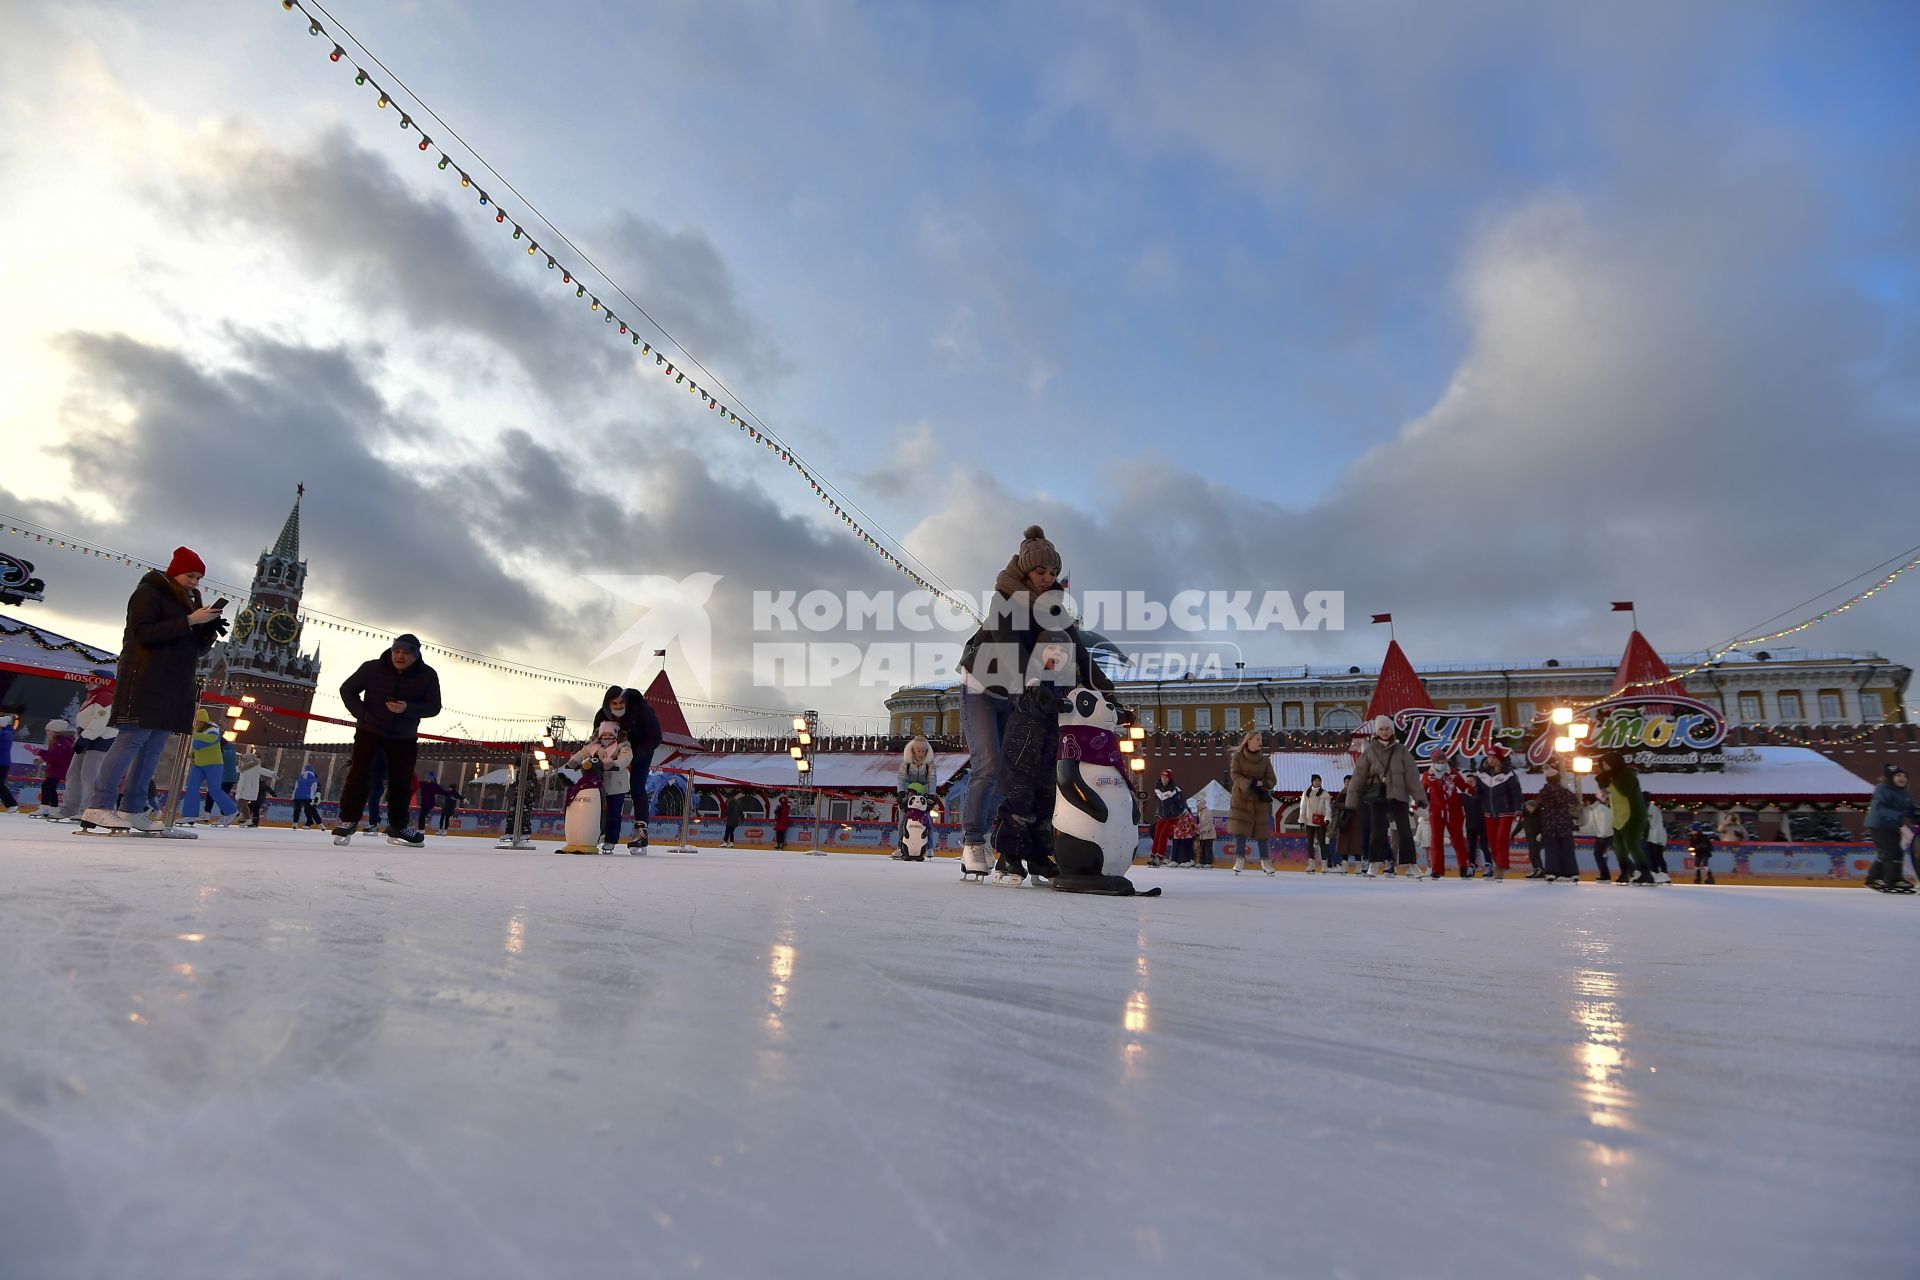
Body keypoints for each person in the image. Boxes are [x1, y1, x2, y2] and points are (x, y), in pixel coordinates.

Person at [954, 525, 1114, 879]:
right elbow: (1008, 646)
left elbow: (1077, 648)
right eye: (1041, 571)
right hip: (981, 687)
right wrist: (1033, 679)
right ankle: (972, 841)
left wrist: (1106, 687)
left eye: (1053, 572)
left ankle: (1005, 846)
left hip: (1018, 690)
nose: (1048, 578)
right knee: (989, 764)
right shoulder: (1005, 601)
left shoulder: (1053, 605)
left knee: (1013, 772)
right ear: (1025, 569)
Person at [83, 549, 227, 831]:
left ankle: (132, 809)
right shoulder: (149, 593)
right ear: (175, 571)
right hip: (145, 678)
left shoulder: (189, 602)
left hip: (174, 683)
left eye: (199, 578)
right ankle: (98, 806)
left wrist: (206, 630)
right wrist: (189, 621)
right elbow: (142, 634)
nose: (195, 582)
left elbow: (193, 650)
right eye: (190, 576)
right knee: (131, 740)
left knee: (153, 747)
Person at [330, 634, 441, 847]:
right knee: (359, 775)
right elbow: (347, 690)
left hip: (404, 737)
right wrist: (363, 715)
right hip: (370, 731)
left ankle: (398, 827)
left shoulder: (427, 676)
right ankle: (348, 821)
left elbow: (433, 707)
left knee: (401, 782)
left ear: (416, 656)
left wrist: (407, 708)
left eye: (406, 653)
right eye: (396, 651)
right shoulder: (372, 668)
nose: (399, 656)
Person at [1345, 715, 1425, 879]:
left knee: (1405, 831)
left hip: (1399, 794)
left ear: (1392, 730)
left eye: (1387, 728)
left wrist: (1419, 797)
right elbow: (1358, 776)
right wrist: (1351, 802)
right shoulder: (1369, 751)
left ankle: (1412, 865)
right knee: (1378, 830)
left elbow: (1411, 775)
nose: (1384, 732)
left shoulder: (1401, 750)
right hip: (1378, 794)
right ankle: (1374, 864)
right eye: (1381, 729)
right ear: (1376, 732)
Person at [596, 686, 663, 852]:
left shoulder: (642, 710)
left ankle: (641, 829)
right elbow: (595, 738)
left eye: (621, 702)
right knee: (604, 785)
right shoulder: (602, 715)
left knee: (637, 786)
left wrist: (635, 755)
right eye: (614, 703)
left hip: (641, 748)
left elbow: (655, 738)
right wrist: (601, 753)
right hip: (613, 750)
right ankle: (600, 827)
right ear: (607, 704)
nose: (618, 706)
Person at [564, 722, 633, 853]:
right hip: (595, 786)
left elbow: (626, 758)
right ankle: (592, 836)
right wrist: (574, 761)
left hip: (615, 787)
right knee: (594, 814)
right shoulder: (593, 747)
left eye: (610, 735)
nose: (607, 737)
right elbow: (582, 754)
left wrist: (614, 764)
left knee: (613, 814)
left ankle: (610, 840)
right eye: (604, 735)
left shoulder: (622, 746)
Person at [58, 684, 117, 821]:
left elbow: (102, 720)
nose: (88, 683)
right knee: (74, 773)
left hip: (100, 741)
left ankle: (89, 808)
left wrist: (86, 737)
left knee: (90, 775)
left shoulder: (105, 696)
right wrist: (82, 738)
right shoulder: (93, 697)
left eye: (93, 679)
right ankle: (70, 807)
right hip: (87, 739)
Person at [1597, 753, 1654, 885]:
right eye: (1603, 765)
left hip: (1633, 815)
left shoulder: (1628, 775)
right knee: (1619, 847)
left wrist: (1608, 782)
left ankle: (1646, 873)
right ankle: (1625, 872)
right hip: (1618, 816)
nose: (1605, 767)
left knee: (1631, 844)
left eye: (1607, 764)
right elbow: (1610, 798)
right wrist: (1604, 788)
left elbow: (1623, 791)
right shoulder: (1610, 778)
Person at [1227, 730, 1278, 876]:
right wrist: (1248, 783)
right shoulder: (1237, 757)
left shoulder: (1265, 760)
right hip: (1241, 799)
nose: (1260, 742)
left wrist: (1261, 783)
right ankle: (1239, 859)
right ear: (1248, 741)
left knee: (1262, 833)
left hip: (1258, 800)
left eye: (1261, 739)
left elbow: (1272, 780)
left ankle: (1266, 862)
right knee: (1240, 831)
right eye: (1257, 739)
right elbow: (1234, 774)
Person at [180, 710, 238, 826]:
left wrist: (194, 734)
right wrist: (192, 753)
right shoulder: (197, 730)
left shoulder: (213, 729)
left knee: (214, 790)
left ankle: (231, 811)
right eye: (195, 722)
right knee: (191, 787)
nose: (196, 724)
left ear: (204, 721)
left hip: (214, 764)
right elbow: (196, 744)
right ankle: (190, 815)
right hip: (199, 764)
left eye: (198, 722)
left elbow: (212, 739)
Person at [1475, 746, 1524, 881]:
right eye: (1488, 757)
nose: (1489, 759)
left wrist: (1518, 809)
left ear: (1498, 759)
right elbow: (1479, 792)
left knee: (1501, 840)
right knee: (1491, 840)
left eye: (1492, 757)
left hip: (1505, 811)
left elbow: (1516, 793)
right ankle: (1500, 863)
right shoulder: (1482, 772)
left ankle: (1500, 868)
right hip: (1489, 812)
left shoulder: (1508, 774)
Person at [1864, 764, 1915, 893]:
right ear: (1889, 778)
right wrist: (1899, 814)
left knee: (1888, 852)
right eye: (1898, 775)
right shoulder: (1882, 789)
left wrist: (1916, 813)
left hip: (1892, 826)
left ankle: (1874, 878)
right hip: (1879, 825)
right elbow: (1881, 808)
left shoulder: (1903, 792)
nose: (1902, 778)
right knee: (1893, 851)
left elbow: (1909, 808)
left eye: (1904, 776)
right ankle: (1893, 880)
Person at [1537, 760, 1581, 882]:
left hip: (1549, 822)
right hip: (1564, 822)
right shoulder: (1564, 791)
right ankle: (1571, 872)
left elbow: (1539, 803)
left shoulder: (1544, 791)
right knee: (1567, 849)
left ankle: (1551, 872)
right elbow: (1575, 802)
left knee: (1551, 849)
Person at [896, 736, 935, 857]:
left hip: (923, 796)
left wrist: (931, 797)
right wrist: (901, 795)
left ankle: (929, 848)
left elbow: (932, 780)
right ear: (913, 750)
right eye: (918, 750)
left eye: (923, 751)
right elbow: (901, 779)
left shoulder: (929, 764)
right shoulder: (906, 764)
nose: (921, 753)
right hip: (909, 795)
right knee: (902, 819)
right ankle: (899, 846)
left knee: (927, 820)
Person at [28, 718, 75, 813]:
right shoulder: (56, 740)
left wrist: (38, 751)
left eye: (49, 730)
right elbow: (52, 754)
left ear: (56, 731)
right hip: (57, 768)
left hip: (59, 768)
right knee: (50, 787)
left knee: (47, 786)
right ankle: (53, 808)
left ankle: (45, 807)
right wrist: (41, 759)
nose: (47, 733)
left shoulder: (61, 741)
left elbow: (55, 755)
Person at [1151, 769, 1187, 866]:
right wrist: (1158, 813)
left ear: (1169, 779)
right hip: (1162, 816)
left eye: (1166, 777)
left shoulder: (1175, 790)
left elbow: (1182, 803)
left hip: (1172, 817)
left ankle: (1159, 857)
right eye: (1162, 777)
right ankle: (1153, 855)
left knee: (1163, 835)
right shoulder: (1158, 789)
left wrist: (1180, 812)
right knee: (1157, 834)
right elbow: (1159, 804)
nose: (1164, 779)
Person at [1298, 774, 1332, 872]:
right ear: (1312, 781)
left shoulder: (1325, 793)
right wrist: (1302, 819)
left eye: (1319, 780)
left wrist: (1327, 818)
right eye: (1315, 780)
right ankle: (1311, 864)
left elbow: (1328, 807)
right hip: (1309, 820)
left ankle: (1324, 865)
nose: (1317, 782)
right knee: (1310, 842)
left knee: (1322, 842)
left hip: (1321, 820)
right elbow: (1302, 807)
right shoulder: (1306, 793)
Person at [1583, 793, 1615, 883]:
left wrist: (1602, 834)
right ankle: (1605, 875)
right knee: (1598, 855)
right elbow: (1593, 824)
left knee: (1598, 854)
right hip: (1602, 835)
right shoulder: (1595, 809)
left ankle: (1606, 875)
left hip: (1605, 835)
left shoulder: (1601, 809)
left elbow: (1605, 822)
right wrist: (1581, 829)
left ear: (1588, 801)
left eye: (1585, 802)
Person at [234, 750, 271, 826]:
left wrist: (273, 774)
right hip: (242, 788)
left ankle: (233, 814)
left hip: (250, 789)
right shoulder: (242, 766)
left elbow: (264, 771)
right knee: (244, 806)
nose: (242, 759)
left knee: (240, 804)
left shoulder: (255, 767)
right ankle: (248, 820)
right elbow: (234, 769)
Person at [1644, 801, 1673, 884]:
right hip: (1652, 835)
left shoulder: (1653, 810)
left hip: (1658, 836)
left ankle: (1664, 875)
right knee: (1652, 857)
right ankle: (1655, 873)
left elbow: (1652, 822)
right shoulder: (1650, 809)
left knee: (1658, 856)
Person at [1520, 796, 1545, 878]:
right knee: (1532, 854)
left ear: (1534, 807)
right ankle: (1536, 869)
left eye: (1529, 807)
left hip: (1538, 837)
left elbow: (1544, 825)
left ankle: (1540, 869)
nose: (1528, 809)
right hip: (1530, 837)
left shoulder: (1539, 814)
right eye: (1527, 807)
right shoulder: (1526, 815)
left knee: (1535, 853)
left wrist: (1541, 833)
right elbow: (1521, 824)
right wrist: (1513, 833)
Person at [292, 763, 322, 829]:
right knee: (307, 810)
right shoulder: (305, 779)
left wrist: (316, 797)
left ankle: (309, 822)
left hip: (312, 797)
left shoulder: (315, 781)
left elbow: (318, 790)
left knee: (309, 810)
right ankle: (310, 822)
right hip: (308, 796)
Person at [0, 708, 18, 810]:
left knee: (0, 785)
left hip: (1, 763)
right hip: (4, 763)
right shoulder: (7, 733)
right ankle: (11, 804)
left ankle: (11, 804)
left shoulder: (4, 735)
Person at [1193, 793, 1216, 868]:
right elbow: (1200, 822)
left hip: (1208, 834)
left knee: (1208, 848)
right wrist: (1198, 828)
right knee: (1202, 848)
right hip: (1202, 834)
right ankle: (1201, 862)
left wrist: (1203, 830)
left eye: (1198, 806)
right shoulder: (1200, 812)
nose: (1197, 807)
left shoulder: (1207, 812)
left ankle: (1208, 862)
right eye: (1197, 806)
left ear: (1202, 805)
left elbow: (1210, 824)